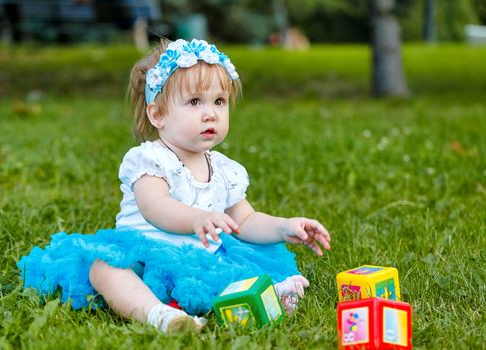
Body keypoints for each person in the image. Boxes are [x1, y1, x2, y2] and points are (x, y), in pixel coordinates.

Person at [18, 38, 331, 333]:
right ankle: (157, 314)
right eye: (194, 102)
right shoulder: (151, 160)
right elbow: (155, 207)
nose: (210, 113)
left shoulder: (224, 170)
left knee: (230, 266)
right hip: (143, 257)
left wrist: (284, 227)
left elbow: (245, 220)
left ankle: (265, 294)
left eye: (219, 101)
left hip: (200, 262)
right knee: (103, 268)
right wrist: (196, 218)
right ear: (157, 114)